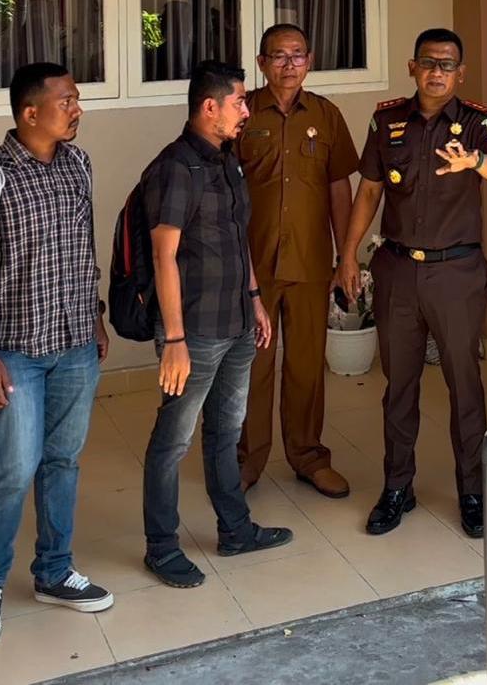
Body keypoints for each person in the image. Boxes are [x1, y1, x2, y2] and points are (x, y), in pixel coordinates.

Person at [338, 28, 487, 537]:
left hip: (456, 274)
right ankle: (398, 486)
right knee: (399, 386)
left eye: (447, 64)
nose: (437, 72)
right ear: (412, 67)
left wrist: (475, 160)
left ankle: (473, 490)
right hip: (397, 270)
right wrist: (347, 254)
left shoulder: (477, 122)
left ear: (461, 73)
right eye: (428, 62)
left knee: (465, 386)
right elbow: (369, 192)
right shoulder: (387, 121)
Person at [141, 60, 293, 589]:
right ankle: (161, 547)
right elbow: (164, 257)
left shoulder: (228, 160)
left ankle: (235, 530)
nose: (247, 111)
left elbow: (236, 237)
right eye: (240, 102)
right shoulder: (176, 168)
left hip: (236, 323)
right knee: (173, 440)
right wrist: (175, 339)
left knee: (226, 431)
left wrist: (255, 300)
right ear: (210, 107)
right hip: (195, 332)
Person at [0, 63, 113, 642]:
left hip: (74, 345)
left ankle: (54, 571)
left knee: (62, 460)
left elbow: (83, 247)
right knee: (13, 470)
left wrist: (95, 317)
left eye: (77, 99)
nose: (77, 110)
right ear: (29, 113)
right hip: (15, 348)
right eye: (66, 101)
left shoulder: (78, 164)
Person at [236, 24, 359, 498]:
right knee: (253, 366)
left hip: (310, 263)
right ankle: (246, 459)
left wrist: (346, 255)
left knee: (307, 366)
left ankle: (308, 456)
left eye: (298, 55)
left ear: (310, 60)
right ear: (262, 63)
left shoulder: (326, 116)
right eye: (278, 56)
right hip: (254, 265)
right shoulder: (242, 111)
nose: (289, 65)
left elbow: (338, 187)